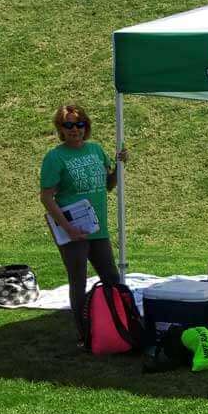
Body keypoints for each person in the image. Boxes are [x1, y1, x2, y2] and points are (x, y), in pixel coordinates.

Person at [39, 104, 127, 348]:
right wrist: (68, 228)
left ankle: (118, 325)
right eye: (68, 125)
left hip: (98, 228)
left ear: (86, 126)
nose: (75, 129)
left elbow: (108, 186)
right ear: (60, 128)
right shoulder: (55, 157)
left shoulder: (97, 150)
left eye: (79, 124)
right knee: (78, 281)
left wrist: (119, 167)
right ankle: (85, 335)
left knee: (111, 277)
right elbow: (46, 197)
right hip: (73, 232)